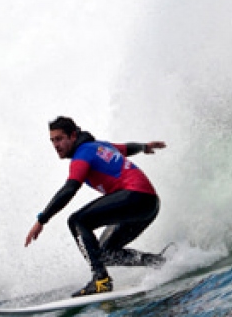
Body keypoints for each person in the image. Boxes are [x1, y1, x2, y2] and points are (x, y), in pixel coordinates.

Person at [25, 116, 167, 296]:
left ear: (73, 136)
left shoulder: (82, 154)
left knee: (77, 220)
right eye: (52, 140)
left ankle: (100, 280)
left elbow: (70, 189)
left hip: (135, 197)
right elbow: (126, 148)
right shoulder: (101, 146)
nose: (55, 145)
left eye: (60, 139)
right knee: (103, 253)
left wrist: (41, 220)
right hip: (149, 204)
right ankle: (157, 262)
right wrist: (144, 147)